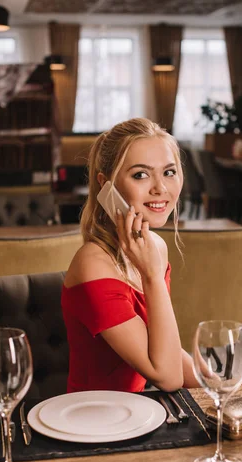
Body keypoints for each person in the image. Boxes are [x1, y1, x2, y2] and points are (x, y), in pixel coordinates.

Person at [62, 118, 198, 393]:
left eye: (169, 172)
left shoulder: (154, 246)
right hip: (93, 423)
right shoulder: (93, 263)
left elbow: (161, 345)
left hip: (137, 414)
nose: (160, 188)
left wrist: (223, 388)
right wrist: (152, 276)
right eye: (141, 175)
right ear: (106, 185)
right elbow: (167, 377)